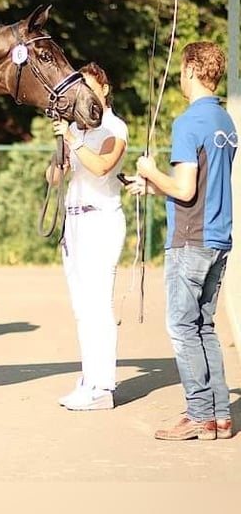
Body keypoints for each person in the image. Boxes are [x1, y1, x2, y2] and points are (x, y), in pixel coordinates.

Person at [125, 41, 235, 440]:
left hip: (190, 239)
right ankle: (220, 415)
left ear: (190, 69)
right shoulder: (225, 120)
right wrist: (152, 187)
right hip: (219, 237)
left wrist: (150, 171)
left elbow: (186, 190)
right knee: (204, 326)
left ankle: (199, 414)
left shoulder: (188, 122)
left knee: (182, 327)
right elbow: (201, 186)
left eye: (181, 71)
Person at [47, 62, 128, 411]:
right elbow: (53, 178)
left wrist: (73, 140)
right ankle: (88, 377)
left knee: (99, 305)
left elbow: (102, 166)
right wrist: (61, 154)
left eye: (91, 87)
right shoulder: (77, 130)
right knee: (82, 308)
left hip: (101, 221)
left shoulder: (113, 128)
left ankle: (103, 386)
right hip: (75, 221)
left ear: (104, 90)